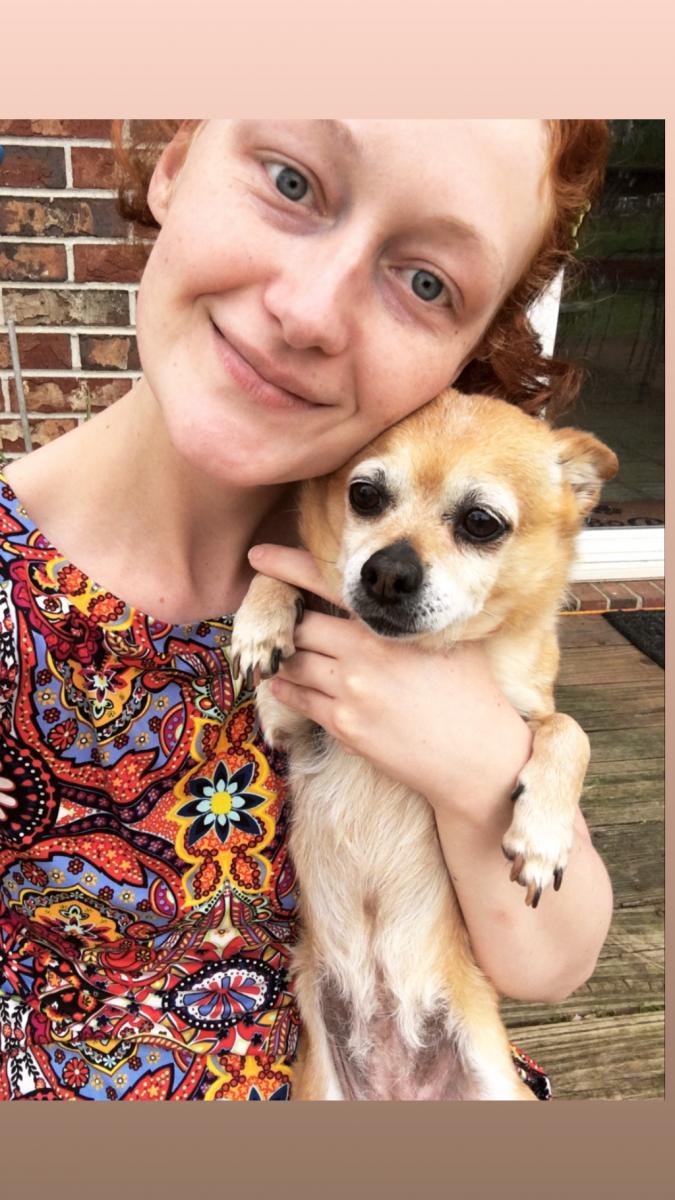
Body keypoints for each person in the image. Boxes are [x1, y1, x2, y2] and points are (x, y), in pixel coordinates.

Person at [0, 119, 614, 1101]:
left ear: (470, 345)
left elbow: (552, 960)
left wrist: (480, 764)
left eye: (428, 283)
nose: (308, 310)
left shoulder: (427, 608)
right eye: (290, 179)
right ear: (174, 159)